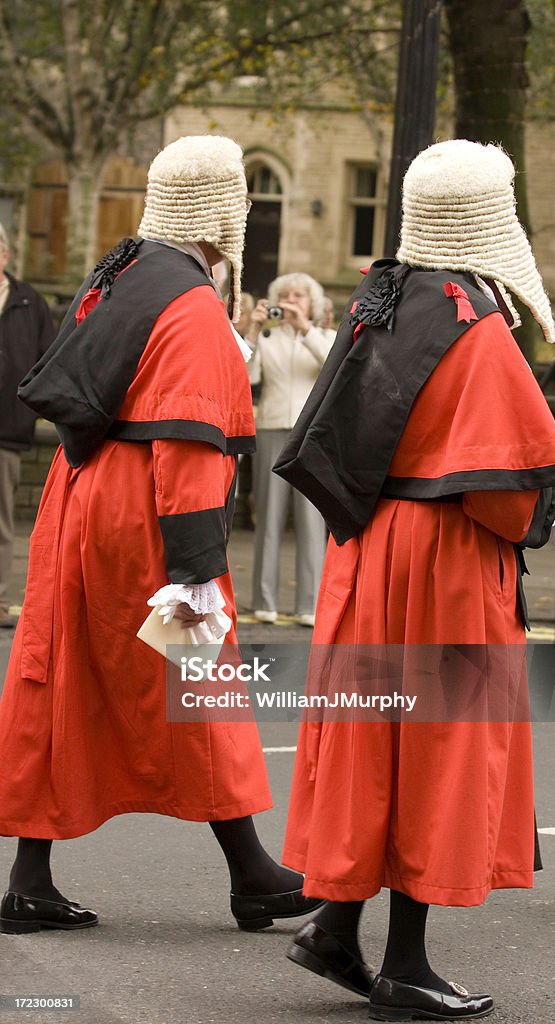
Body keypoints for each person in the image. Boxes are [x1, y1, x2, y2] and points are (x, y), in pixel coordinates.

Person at [273, 140, 555, 1020]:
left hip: (366, 555)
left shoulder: (380, 303)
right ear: (494, 217)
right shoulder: (475, 326)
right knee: (435, 754)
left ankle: (334, 930)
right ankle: (405, 967)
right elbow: (506, 488)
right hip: (439, 564)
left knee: (375, 747)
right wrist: (550, 506)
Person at [0, 136, 323, 935]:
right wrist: (197, 572)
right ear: (222, 211)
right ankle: (252, 875)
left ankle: (28, 880)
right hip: (146, 514)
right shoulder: (191, 305)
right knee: (200, 682)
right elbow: (189, 446)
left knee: (59, 673)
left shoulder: (111, 278)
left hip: (75, 503)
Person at [245, 273, 335, 626]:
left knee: (312, 519)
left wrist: (306, 331)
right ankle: (263, 601)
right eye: (285, 294)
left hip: (310, 435)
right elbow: (248, 376)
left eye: (299, 295)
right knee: (268, 517)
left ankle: (310, 604)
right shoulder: (266, 337)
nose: (292, 300)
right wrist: (252, 331)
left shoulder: (325, 336)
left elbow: (335, 367)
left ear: (311, 302)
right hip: (271, 430)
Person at [0, 223, 55, 629]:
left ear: (4, 254)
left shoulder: (29, 301)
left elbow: (47, 362)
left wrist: (27, 410)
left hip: (7, 429)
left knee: (2, 521)